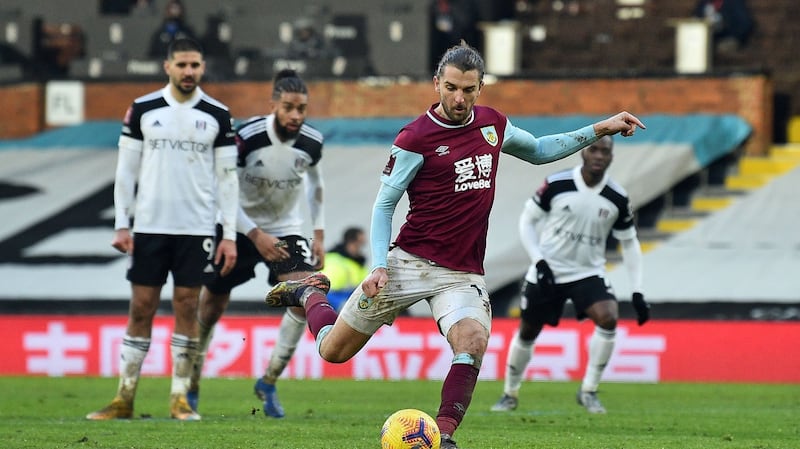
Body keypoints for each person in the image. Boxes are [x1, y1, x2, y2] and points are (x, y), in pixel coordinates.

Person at [262, 41, 645, 448]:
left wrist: (601, 127)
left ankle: (442, 436)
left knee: (473, 342)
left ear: (480, 88)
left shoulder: (493, 125)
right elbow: (384, 206)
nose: (458, 98)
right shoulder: (415, 138)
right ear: (436, 84)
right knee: (333, 352)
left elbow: (539, 150)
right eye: (450, 88)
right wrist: (377, 264)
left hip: (461, 274)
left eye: (468, 90)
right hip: (406, 263)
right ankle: (309, 294)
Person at [85, 37, 239, 421]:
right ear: (167, 66)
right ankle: (124, 397)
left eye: (195, 65)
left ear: (202, 68)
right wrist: (123, 223)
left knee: (188, 306)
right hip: (151, 225)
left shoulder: (218, 114)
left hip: (196, 227)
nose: (189, 72)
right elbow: (126, 170)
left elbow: (227, 178)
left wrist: (230, 233)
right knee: (141, 307)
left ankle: (179, 398)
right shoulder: (143, 109)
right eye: (182, 65)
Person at [189, 68, 325, 418]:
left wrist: (319, 233)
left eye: (302, 108)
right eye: (289, 108)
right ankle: (190, 381)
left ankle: (268, 381)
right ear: (274, 105)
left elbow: (315, 184)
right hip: (237, 226)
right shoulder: (246, 136)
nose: (296, 116)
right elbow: (223, 189)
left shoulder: (312, 141)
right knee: (212, 306)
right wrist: (253, 235)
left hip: (286, 228)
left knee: (302, 298)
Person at [490, 135, 650, 415]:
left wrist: (637, 290)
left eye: (606, 151)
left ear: (612, 157)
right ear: (584, 152)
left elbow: (629, 241)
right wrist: (538, 260)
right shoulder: (557, 184)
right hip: (548, 270)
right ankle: (510, 393)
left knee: (609, 317)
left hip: (587, 273)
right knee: (528, 331)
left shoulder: (617, 197)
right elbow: (527, 220)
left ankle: (588, 390)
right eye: (595, 149)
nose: (600, 155)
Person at [322, 226, 369, 311]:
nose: (360, 249)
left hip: (352, 298)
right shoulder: (333, 259)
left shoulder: (358, 263)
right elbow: (327, 291)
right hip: (335, 300)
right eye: (359, 244)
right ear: (350, 242)